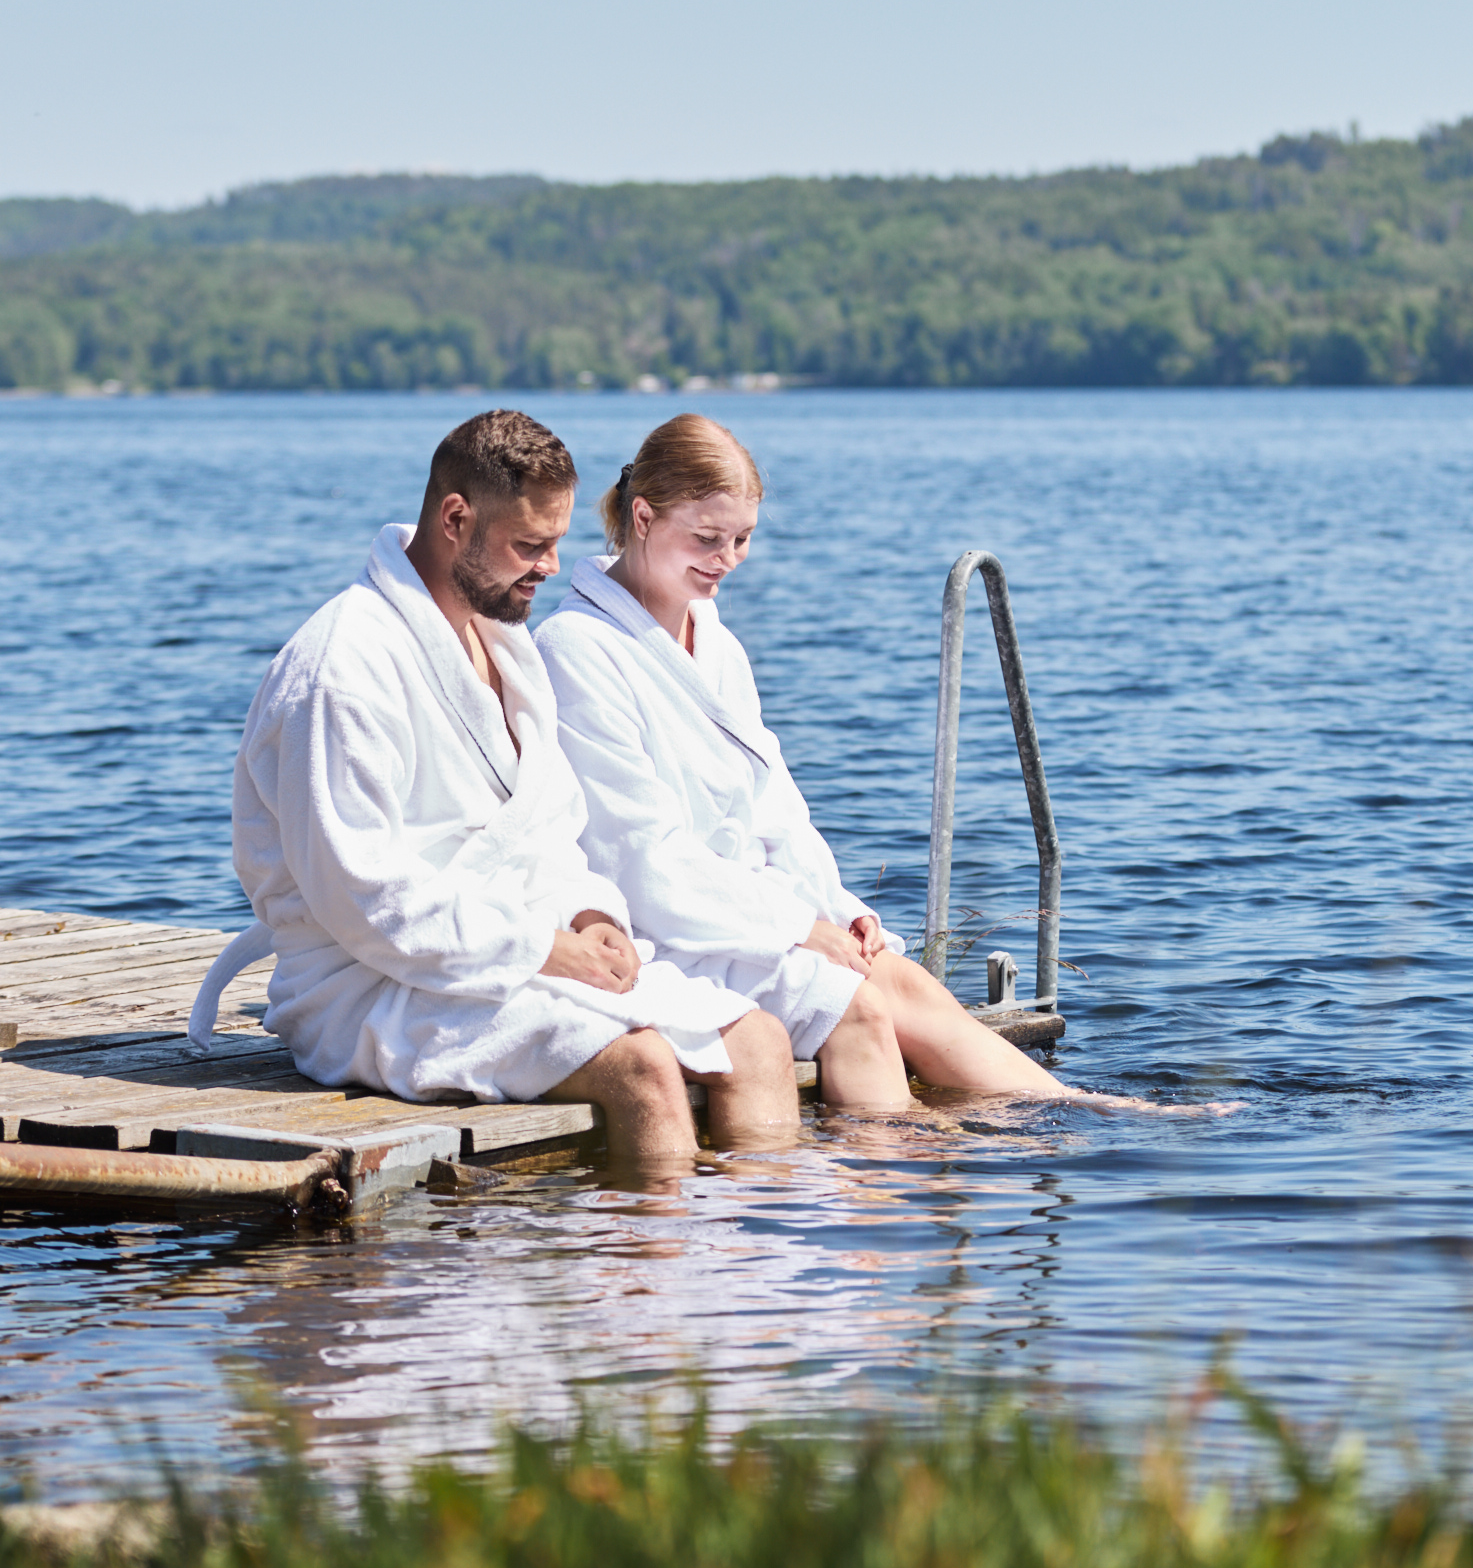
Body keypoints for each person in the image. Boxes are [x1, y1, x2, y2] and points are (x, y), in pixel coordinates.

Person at [195, 409, 800, 1175]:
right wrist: (543, 947)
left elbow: (551, 827)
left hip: (519, 950)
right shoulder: (341, 669)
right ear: (456, 518)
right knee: (642, 1069)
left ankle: (768, 1278)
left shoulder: (505, 645)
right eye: (530, 545)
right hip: (372, 984)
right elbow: (365, 898)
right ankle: (656, 1279)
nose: (553, 566)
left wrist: (590, 913)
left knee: (756, 1037)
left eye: (555, 542)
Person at [533, 413, 1069, 1113]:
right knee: (861, 1007)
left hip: (749, 913)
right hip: (665, 932)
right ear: (643, 515)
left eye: (743, 539)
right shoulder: (577, 648)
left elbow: (775, 808)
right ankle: (899, 1180)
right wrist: (792, 929)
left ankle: (1079, 1112)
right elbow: (642, 862)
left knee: (900, 978)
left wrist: (837, 911)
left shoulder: (717, 646)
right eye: (707, 538)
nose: (726, 557)